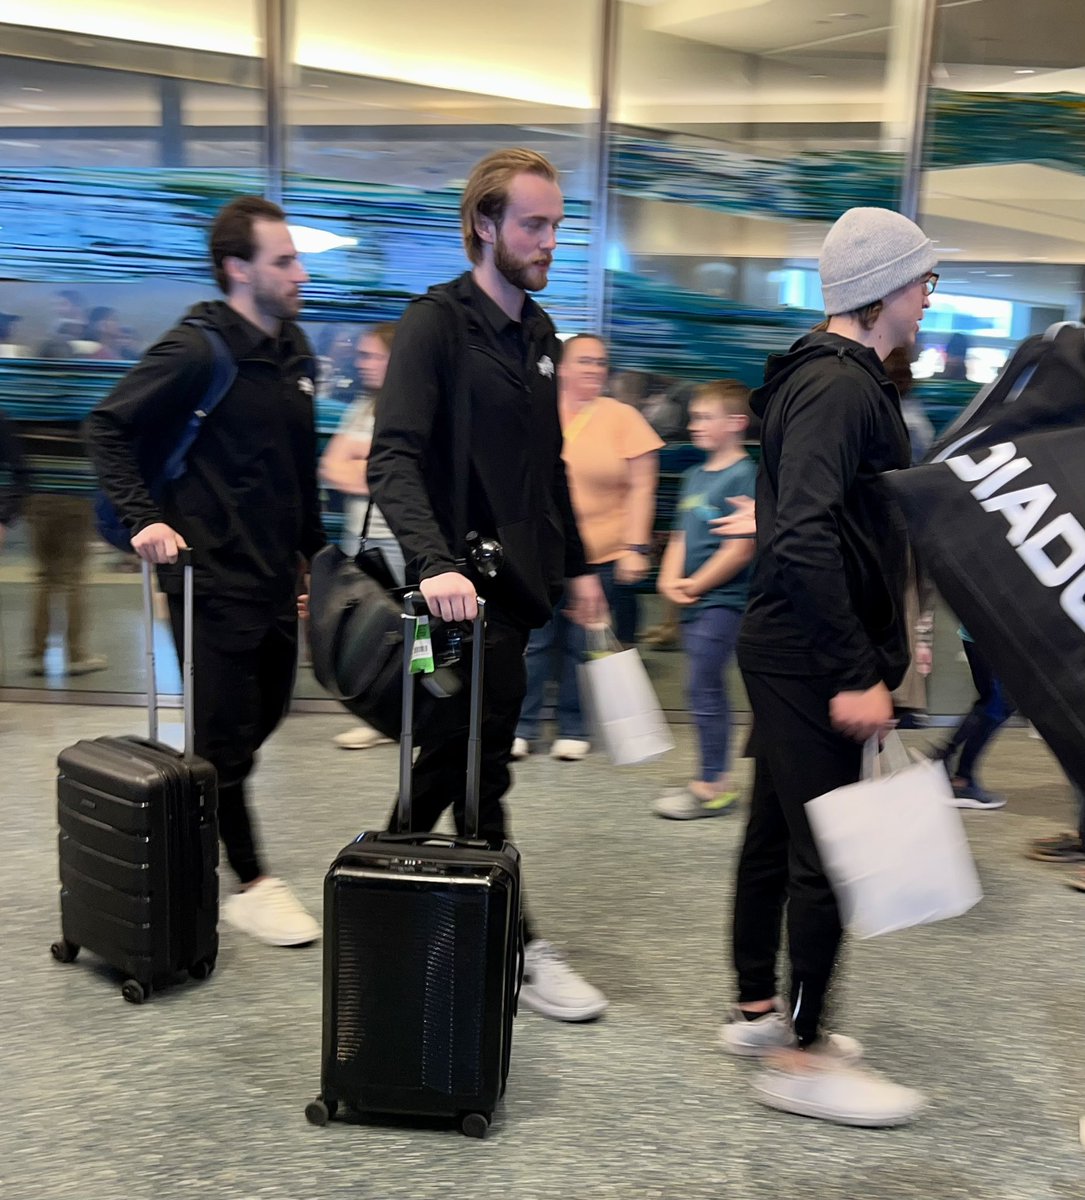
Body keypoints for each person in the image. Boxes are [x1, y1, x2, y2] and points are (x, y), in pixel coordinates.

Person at [367, 148, 609, 1023]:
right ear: (484, 226)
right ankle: (515, 945)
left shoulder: (540, 337)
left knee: (454, 759)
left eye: (555, 226)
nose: (550, 242)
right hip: (444, 598)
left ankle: (384, 890)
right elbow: (391, 458)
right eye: (534, 226)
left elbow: (545, 470)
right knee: (473, 767)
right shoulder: (435, 325)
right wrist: (433, 564)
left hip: (511, 593)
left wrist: (579, 566)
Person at [721, 206, 937, 1126]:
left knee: (775, 831)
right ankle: (804, 1059)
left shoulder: (827, 379)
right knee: (825, 860)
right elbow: (803, 534)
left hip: (790, 647)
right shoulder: (843, 389)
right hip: (811, 658)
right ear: (881, 288)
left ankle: (758, 1012)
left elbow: (820, 526)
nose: (928, 296)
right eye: (922, 279)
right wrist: (856, 669)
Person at [85, 196, 324, 949]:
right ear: (237, 269)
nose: (299, 271)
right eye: (283, 260)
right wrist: (143, 519)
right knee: (223, 739)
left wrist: (311, 558)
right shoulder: (198, 350)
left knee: (262, 718)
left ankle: (194, 807)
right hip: (207, 577)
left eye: (296, 257)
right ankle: (249, 881)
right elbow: (107, 426)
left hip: (273, 578)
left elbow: (298, 467)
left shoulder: (292, 349)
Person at [513, 333, 662, 762]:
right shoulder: (536, 412)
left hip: (603, 556)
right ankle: (523, 727)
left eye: (601, 363)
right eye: (585, 362)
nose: (594, 370)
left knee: (585, 643)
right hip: (541, 557)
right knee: (536, 643)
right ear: (561, 365)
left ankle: (574, 726)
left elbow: (642, 489)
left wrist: (636, 547)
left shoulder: (624, 417)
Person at [652, 380, 756, 819]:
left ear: (736, 423)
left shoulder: (745, 475)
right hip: (694, 600)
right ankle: (712, 776)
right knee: (700, 688)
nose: (694, 425)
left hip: (723, 602)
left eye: (704, 417)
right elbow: (679, 535)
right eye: (693, 417)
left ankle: (714, 784)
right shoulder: (695, 475)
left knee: (703, 687)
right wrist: (669, 579)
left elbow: (741, 546)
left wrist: (695, 586)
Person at [319, 322, 403, 751]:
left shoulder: (413, 407)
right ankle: (377, 713)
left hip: (401, 542)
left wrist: (361, 460)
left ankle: (406, 717)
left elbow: (408, 478)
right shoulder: (362, 408)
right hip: (362, 538)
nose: (363, 362)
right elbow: (331, 467)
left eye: (373, 356)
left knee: (405, 633)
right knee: (366, 634)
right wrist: (376, 466)